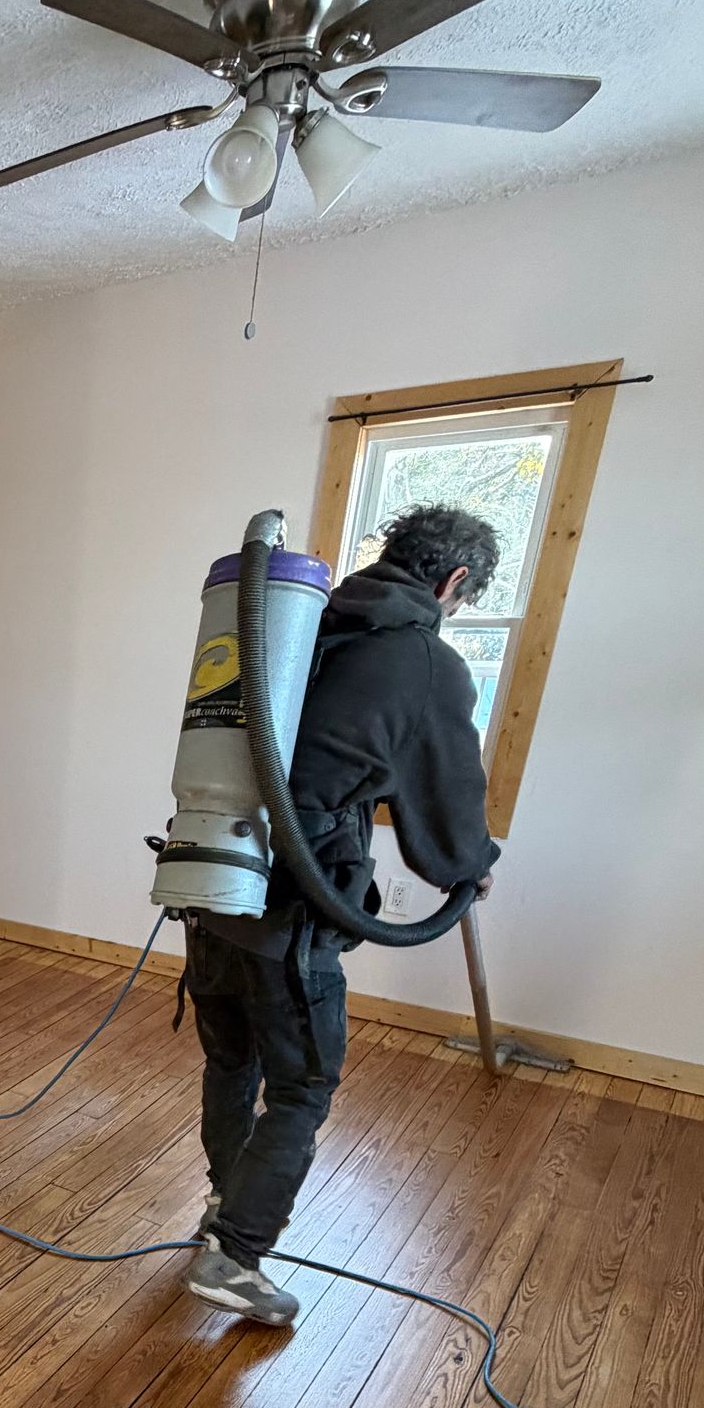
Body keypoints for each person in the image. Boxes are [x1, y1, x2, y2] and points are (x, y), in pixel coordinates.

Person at [181, 503, 503, 1326]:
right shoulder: (423, 661)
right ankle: (236, 1254)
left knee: (231, 1061)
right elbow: (448, 797)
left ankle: (224, 1204)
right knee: (303, 1085)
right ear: (455, 581)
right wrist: (471, 869)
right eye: (463, 599)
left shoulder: (299, 621)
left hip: (212, 877)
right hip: (295, 905)